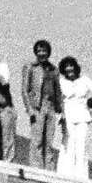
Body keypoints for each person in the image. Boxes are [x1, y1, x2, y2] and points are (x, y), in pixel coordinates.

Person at [55, 57, 92, 181]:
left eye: (71, 66)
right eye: (66, 67)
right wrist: (60, 114)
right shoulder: (60, 81)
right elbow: (57, 98)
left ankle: (81, 176)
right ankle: (65, 174)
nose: (69, 69)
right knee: (68, 144)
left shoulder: (85, 80)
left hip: (82, 115)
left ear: (76, 67)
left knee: (81, 145)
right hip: (67, 115)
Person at [21, 39, 61, 170]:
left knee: (49, 141)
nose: (41, 53)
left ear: (48, 52)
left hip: (51, 106)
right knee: (37, 139)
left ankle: (49, 170)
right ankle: (36, 169)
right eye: (39, 51)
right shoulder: (30, 67)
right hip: (37, 106)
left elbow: (58, 91)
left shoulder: (53, 69)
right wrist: (29, 109)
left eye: (44, 51)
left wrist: (60, 109)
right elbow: (25, 89)